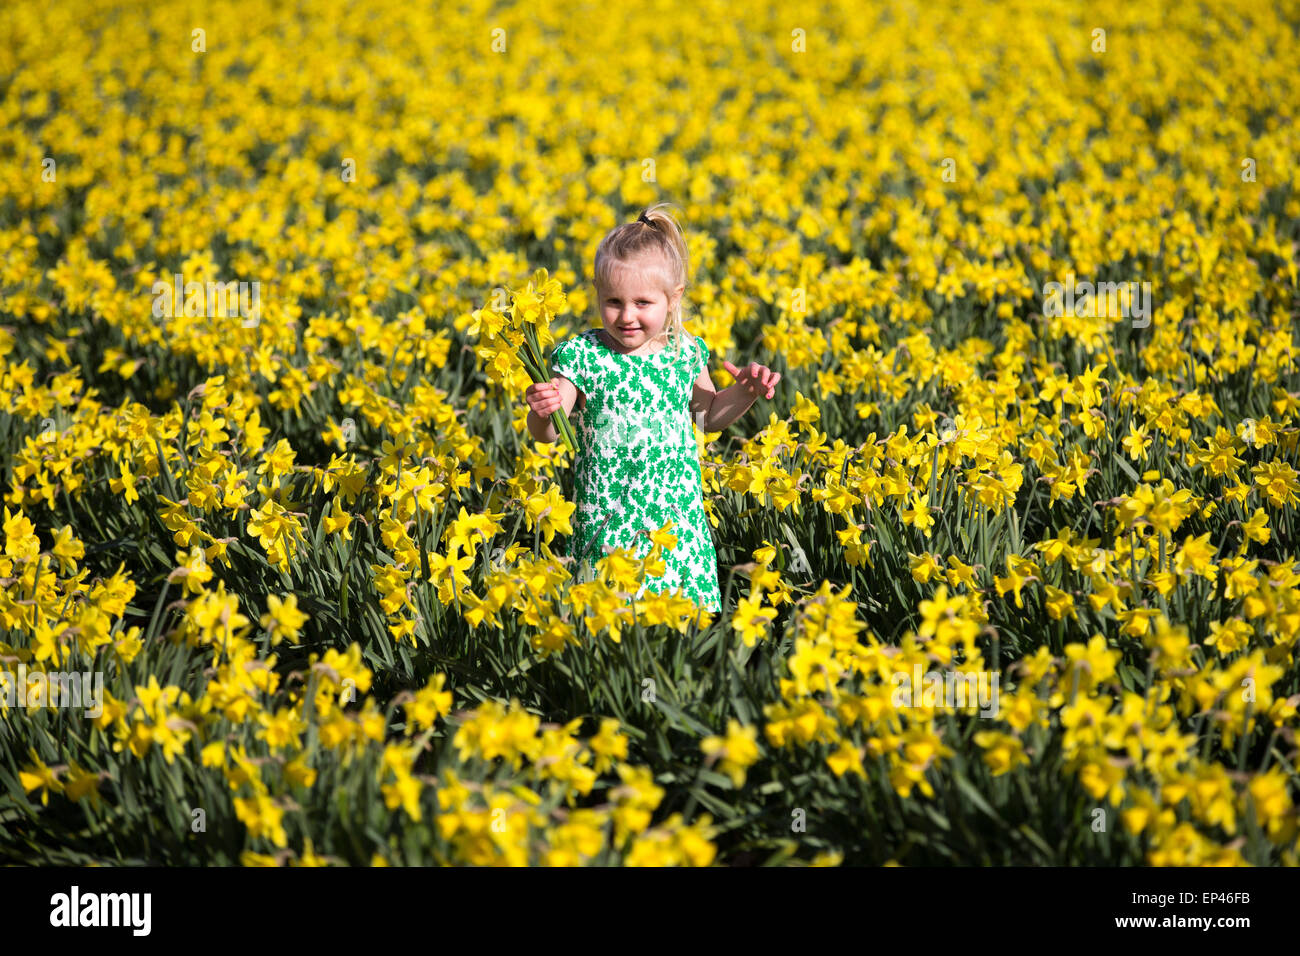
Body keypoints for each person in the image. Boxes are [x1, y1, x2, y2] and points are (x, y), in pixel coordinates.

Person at [525, 202, 782, 614]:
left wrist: (745, 392)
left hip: (674, 522)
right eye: (613, 301)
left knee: (678, 624)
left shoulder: (684, 353)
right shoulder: (582, 355)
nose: (626, 316)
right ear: (597, 291)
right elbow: (549, 433)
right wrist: (543, 409)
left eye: (642, 303)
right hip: (607, 517)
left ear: (672, 297)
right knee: (610, 620)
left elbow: (709, 416)